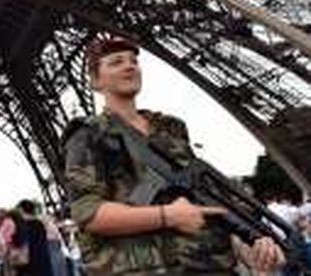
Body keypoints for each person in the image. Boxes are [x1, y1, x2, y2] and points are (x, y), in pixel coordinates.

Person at [62, 35, 287, 275]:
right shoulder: (87, 134)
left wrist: (253, 243)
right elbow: (89, 214)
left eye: (133, 61)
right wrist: (167, 216)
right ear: (96, 81)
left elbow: (207, 199)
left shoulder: (171, 128)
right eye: (116, 62)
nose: (129, 66)